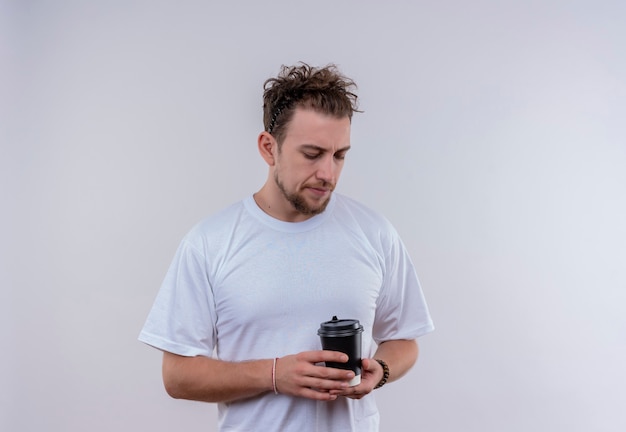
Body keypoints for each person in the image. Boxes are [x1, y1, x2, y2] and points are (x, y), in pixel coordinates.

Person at [139, 63, 434, 432]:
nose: (328, 173)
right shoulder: (209, 243)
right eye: (312, 154)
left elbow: (404, 339)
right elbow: (177, 376)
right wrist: (275, 374)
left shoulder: (375, 233)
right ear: (269, 148)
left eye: (339, 155)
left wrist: (382, 370)